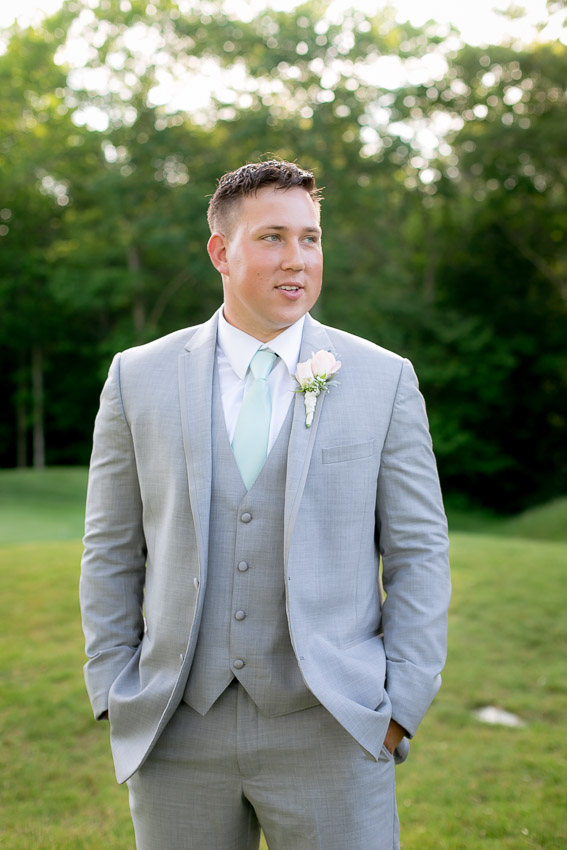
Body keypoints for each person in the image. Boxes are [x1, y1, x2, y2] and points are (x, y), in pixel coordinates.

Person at [80, 159, 451, 850]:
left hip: (333, 727)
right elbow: (109, 549)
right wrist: (112, 684)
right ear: (221, 252)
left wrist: (399, 706)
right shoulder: (138, 377)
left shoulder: (383, 379)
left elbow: (419, 552)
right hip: (176, 728)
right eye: (272, 237)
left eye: (310, 238)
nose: (297, 259)